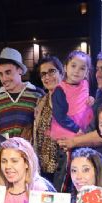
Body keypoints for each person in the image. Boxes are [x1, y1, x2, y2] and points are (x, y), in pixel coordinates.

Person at [0, 47, 45, 140]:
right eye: (0, 74)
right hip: (5, 152)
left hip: (31, 152)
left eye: (8, 72)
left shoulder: (37, 94)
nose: (4, 78)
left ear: (19, 70)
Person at [33, 56, 67, 189]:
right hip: (43, 169)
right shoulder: (40, 102)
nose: (47, 77)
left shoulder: (72, 99)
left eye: (52, 71)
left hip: (64, 168)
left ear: (61, 72)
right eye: (43, 74)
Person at [49, 50, 93, 144]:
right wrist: (77, 129)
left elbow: (85, 100)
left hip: (85, 128)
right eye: (73, 66)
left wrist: (92, 100)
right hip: (68, 130)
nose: (77, 70)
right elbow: (59, 115)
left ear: (86, 72)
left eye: (82, 68)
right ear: (65, 68)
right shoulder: (60, 90)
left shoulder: (85, 84)